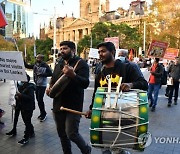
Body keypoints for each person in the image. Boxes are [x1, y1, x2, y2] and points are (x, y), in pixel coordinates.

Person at [86, 42, 148, 154]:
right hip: (104, 115)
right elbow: (96, 92)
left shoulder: (128, 67)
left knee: (119, 149)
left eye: (103, 51)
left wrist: (131, 85)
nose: (100, 54)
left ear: (113, 52)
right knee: (105, 147)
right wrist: (92, 109)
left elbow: (144, 84)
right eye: (99, 52)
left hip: (124, 114)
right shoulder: (100, 70)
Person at [46, 41, 91, 154]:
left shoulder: (81, 64)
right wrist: (49, 88)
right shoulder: (59, 63)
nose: (62, 51)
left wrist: (73, 75)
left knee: (71, 133)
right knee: (62, 134)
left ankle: (86, 150)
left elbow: (85, 83)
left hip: (73, 105)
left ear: (73, 50)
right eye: (61, 48)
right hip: (58, 104)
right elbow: (53, 80)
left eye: (65, 48)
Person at [7, 74, 36, 145]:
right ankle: (31, 132)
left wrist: (21, 95)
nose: (21, 80)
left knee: (27, 121)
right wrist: (16, 97)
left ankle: (26, 138)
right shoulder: (21, 86)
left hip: (28, 108)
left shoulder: (30, 87)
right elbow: (18, 95)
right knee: (26, 121)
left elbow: (30, 98)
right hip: (22, 106)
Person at [25, 54, 52, 122]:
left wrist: (42, 74)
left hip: (42, 85)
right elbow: (28, 66)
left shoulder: (45, 65)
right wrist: (22, 60)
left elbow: (50, 73)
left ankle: (44, 114)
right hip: (37, 84)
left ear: (41, 59)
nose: (37, 59)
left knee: (40, 99)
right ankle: (42, 113)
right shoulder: (36, 64)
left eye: (38, 58)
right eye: (36, 58)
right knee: (38, 99)